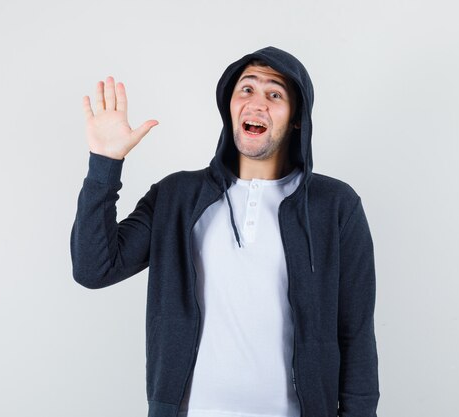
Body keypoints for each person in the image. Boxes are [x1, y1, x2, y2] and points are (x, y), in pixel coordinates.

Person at [71, 46, 379, 417]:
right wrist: (105, 163)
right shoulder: (177, 197)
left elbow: (356, 333)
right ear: (229, 107)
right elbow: (94, 268)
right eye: (246, 90)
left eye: (275, 94)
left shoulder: (336, 206)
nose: (256, 103)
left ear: (297, 118)